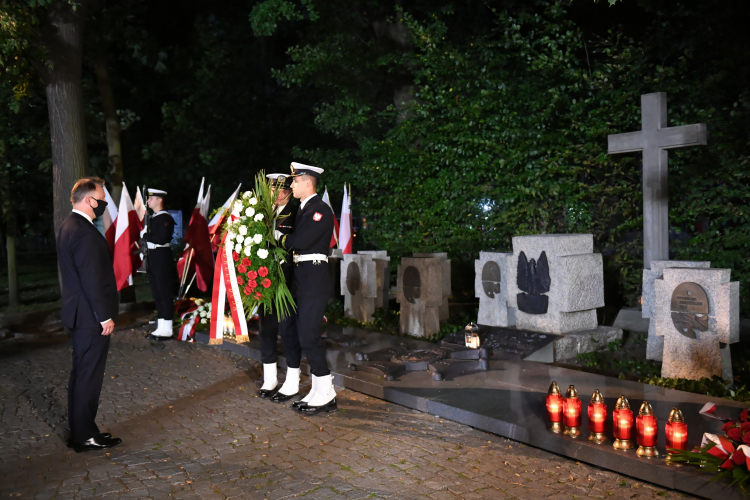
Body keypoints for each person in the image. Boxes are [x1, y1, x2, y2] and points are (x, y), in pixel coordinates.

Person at [57, 177, 122, 452]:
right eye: (102, 197)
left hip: (79, 313)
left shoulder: (67, 225)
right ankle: (84, 436)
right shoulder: (82, 229)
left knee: (80, 374)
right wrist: (104, 316)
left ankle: (82, 430)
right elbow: (91, 278)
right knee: (88, 376)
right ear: (88, 199)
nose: (104, 202)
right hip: (89, 316)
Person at [276, 162, 337, 415]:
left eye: (294, 181)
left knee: (309, 336)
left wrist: (279, 238)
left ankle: (326, 391)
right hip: (302, 276)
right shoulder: (303, 209)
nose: (291, 185)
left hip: (314, 277)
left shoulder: (319, 209)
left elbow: (300, 241)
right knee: (304, 335)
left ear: (307, 182)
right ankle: (320, 389)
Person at [257, 173, 304, 403]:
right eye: (271, 190)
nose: (274, 195)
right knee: (266, 328)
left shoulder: (295, 212)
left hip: (287, 280)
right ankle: (270, 378)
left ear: (286, 190)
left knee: (287, 330)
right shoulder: (263, 212)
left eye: (278, 190)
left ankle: (293, 378)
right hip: (265, 279)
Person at [143, 189, 178, 340]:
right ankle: (162, 326)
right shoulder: (154, 217)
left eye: (151, 198)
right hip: (153, 256)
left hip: (161, 256)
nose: (148, 201)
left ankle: (168, 328)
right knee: (157, 292)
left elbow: (162, 239)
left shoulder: (165, 218)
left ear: (159, 200)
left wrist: (145, 235)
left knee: (164, 292)